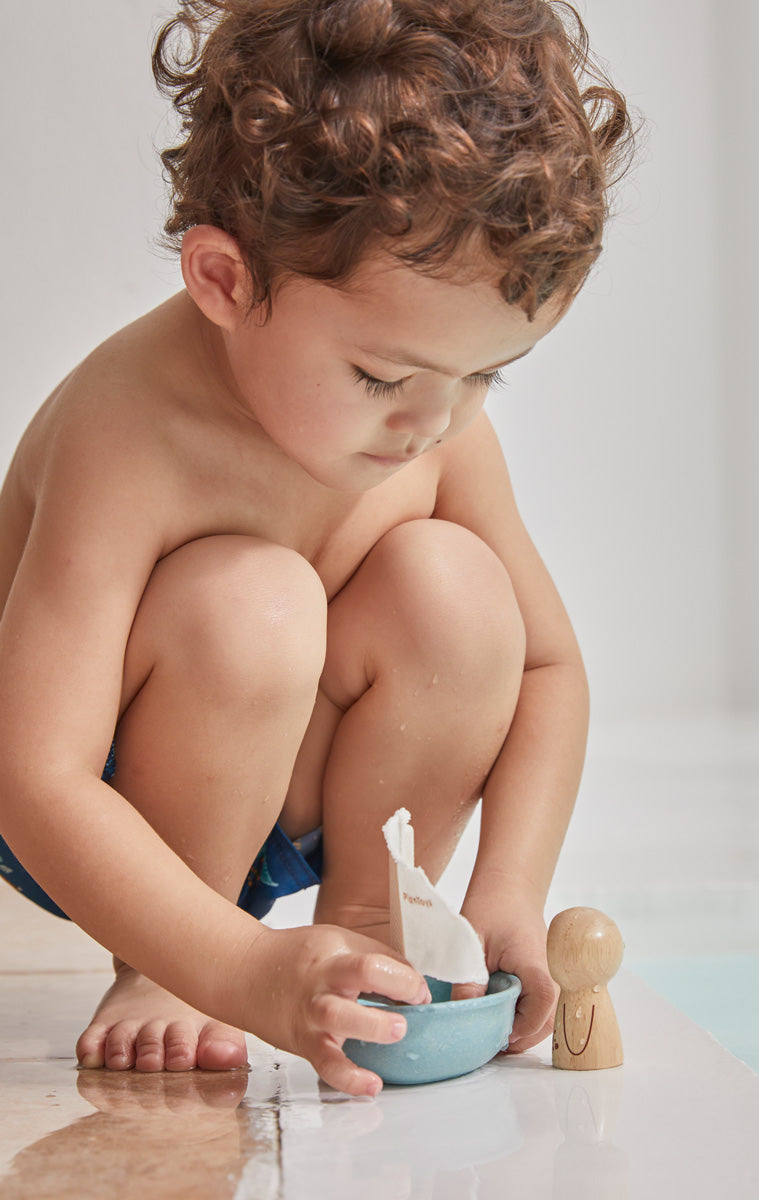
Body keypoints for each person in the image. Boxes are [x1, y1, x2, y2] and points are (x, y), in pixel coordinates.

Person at [0, 0, 633, 1097]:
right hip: (94, 809)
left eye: (483, 373)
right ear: (226, 283)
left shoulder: (435, 419)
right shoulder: (130, 432)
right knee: (256, 599)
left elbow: (544, 668)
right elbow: (34, 777)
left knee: (461, 593)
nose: (431, 424)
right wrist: (227, 963)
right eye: (385, 378)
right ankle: (166, 964)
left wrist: (507, 895)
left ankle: (368, 941)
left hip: (279, 766)